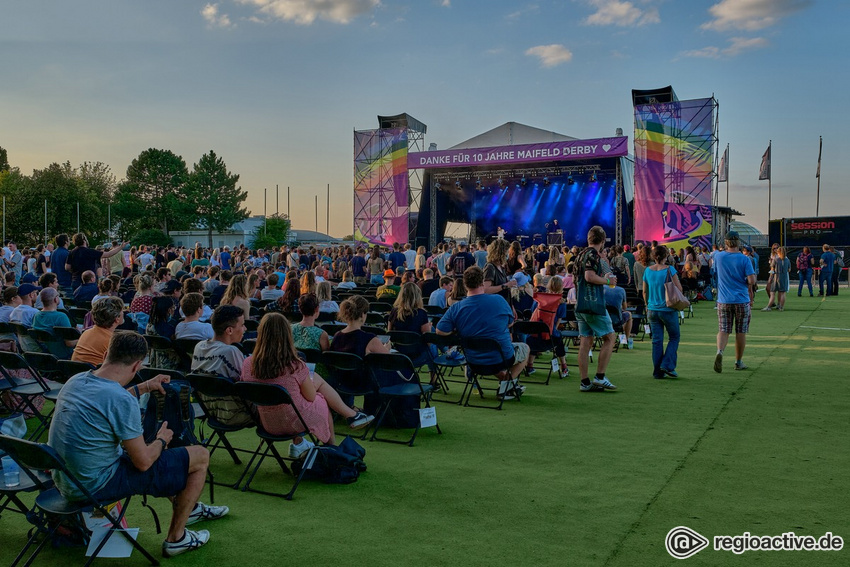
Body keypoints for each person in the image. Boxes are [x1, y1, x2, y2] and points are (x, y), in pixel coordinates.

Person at [49, 331, 227, 558]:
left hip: (66, 480)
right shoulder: (120, 399)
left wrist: (144, 387)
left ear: (106, 354)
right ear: (136, 366)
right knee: (199, 456)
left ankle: (189, 507)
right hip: (95, 485)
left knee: (164, 463)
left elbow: (110, 400)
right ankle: (177, 538)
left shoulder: (77, 380)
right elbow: (143, 462)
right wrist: (162, 439)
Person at [242, 312, 373, 458]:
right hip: (294, 422)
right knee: (321, 400)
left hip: (267, 423)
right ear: (287, 335)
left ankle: (300, 443)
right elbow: (310, 397)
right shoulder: (294, 365)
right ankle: (332, 448)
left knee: (299, 396)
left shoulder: (248, 364)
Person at [435, 266, 529, 399]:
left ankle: (505, 383)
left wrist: (458, 330)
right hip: (500, 358)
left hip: (474, 359)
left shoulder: (457, 307)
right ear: (482, 281)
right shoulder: (498, 300)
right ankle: (506, 386)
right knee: (525, 348)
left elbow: (440, 331)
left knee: (491, 350)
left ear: (465, 284)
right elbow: (510, 323)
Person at [191, 305, 254, 428]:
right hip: (235, 414)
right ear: (229, 330)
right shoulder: (229, 352)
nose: (245, 329)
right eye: (242, 325)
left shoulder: (199, 346)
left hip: (211, 411)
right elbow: (247, 384)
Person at [573, 226, 618, 392]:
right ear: (603, 240)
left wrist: (603, 278)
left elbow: (580, 278)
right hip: (592, 303)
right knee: (610, 337)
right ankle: (600, 376)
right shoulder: (592, 254)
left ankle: (585, 382)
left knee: (586, 341)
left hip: (580, 304)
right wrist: (607, 282)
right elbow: (589, 277)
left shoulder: (580, 254)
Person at [713, 231, 757, 373]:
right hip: (741, 299)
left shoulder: (719, 257)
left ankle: (720, 351)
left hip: (723, 300)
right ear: (738, 242)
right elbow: (751, 280)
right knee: (740, 331)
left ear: (726, 242)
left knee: (723, 329)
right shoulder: (745, 259)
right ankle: (738, 361)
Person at [388, 282, 439, 387]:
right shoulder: (421, 313)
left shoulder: (394, 312)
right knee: (433, 345)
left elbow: (390, 334)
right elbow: (427, 340)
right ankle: (434, 381)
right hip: (417, 355)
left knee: (431, 333)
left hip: (400, 354)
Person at [642, 245, 681, 379]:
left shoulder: (647, 270)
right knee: (674, 337)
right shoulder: (670, 270)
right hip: (668, 308)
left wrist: (647, 305)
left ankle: (657, 371)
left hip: (652, 309)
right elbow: (679, 288)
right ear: (666, 256)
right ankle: (667, 365)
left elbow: (645, 291)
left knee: (657, 341)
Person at [72, 297, 126, 366]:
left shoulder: (86, 333)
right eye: (122, 310)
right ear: (117, 318)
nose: (123, 312)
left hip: (76, 374)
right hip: (98, 375)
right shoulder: (114, 342)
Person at [603, 280, 634, 349]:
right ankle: (626, 338)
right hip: (616, 320)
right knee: (629, 314)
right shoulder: (621, 290)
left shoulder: (600, 288)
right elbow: (625, 307)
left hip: (602, 320)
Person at [766, 246, 791, 311]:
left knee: (772, 293)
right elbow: (789, 269)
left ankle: (769, 306)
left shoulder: (776, 260)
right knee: (782, 293)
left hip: (776, 276)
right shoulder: (787, 260)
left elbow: (772, 269)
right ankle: (781, 307)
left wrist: (770, 278)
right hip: (784, 277)